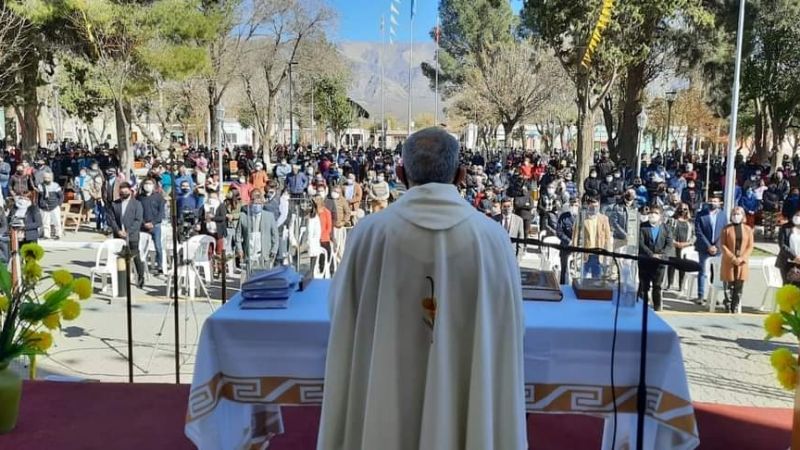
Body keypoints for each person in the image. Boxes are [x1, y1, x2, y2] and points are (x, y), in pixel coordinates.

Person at [318, 127, 526, 450]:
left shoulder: (369, 236)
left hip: (385, 401)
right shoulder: (492, 240)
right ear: (461, 175)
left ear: (400, 174)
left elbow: (340, 313)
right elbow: (511, 329)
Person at [109, 182, 145, 289]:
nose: (123, 193)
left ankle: (140, 277)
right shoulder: (115, 204)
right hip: (118, 235)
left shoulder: (137, 204)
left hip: (132, 235)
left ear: (130, 191)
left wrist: (128, 232)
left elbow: (138, 220)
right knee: (119, 257)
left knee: (135, 257)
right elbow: (111, 219)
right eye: (121, 191)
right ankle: (121, 278)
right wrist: (118, 231)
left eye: (125, 191)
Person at [638, 205, 673, 311]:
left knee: (657, 286)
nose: (652, 214)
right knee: (644, 286)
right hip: (645, 261)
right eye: (650, 212)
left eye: (655, 213)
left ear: (661, 216)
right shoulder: (642, 226)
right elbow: (640, 243)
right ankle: (642, 307)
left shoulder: (666, 228)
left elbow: (669, 244)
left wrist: (661, 255)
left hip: (660, 262)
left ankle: (657, 307)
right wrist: (651, 254)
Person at [235, 189, 279, 273]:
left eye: (258, 202)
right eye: (254, 202)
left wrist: (274, 250)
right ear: (250, 202)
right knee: (250, 278)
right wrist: (239, 249)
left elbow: (275, 235)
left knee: (264, 278)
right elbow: (238, 235)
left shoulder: (269, 216)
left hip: (264, 254)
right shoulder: (243, 217)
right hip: (249, 253)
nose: (256, 204)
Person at [694, 195, 727, 304]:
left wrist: (716, 246)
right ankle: (700, 295)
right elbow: (699, 232)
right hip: (704, 248)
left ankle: (713, 296)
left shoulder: (723, 215)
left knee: (715, 272)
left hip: (717, 248)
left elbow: (724, 231)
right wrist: (708, 246)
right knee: (702, 271)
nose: (713, 203)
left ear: (720, 203)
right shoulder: (701, 215)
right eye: (711, 201)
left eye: (715, 201)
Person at [720, 206, 754, 313]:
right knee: (729, 284)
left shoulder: (748, 229)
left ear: (743, 216)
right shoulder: (726, 229)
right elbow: (723, 245)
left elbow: (750, 246)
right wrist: (732, 258)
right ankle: (728, 305)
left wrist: (742, 258)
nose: (736, 216)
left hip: (742, 262)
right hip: (729, 261)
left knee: (739, 285)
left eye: (738, 214)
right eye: (734, 214)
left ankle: (735, 306)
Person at [574, 195, 612, 278]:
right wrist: (574, 251)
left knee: (597, 279)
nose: (594, 208)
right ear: (588, 206)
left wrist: (608, 253)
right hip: (585, 253)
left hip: (598, 254)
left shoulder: (604, 219)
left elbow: (607, 238)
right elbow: (575, 235)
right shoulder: (582, 218)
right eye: (592, 206)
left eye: (596, 206)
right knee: (583, 278)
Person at [666, 202, 695, 291]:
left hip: (685, 247)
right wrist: (674, 242)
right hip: (673, 245)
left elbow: (694, 236)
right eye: (681, 209)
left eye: (685, 209)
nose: (683, 211)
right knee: (672, 265)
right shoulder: (672, 220)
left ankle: (681, 285)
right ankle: (670, 284)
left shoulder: (690, 222)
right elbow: (667, 232)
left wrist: (687, 243)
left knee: (683, 266)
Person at [139, 178, 166, 274]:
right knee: (141, 247)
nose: (147, 185)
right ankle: (141, 265)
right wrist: (143, 223)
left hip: (156, 226)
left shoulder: (159, 197)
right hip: (142, 226)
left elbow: (161, 212)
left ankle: (159, 266)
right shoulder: (139, 198)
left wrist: (153, 223)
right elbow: (137, 212)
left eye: (150, 184)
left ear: (154, 186)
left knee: (158, 246)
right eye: (146, 183)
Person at [556, 198, 579, 284]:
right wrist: (569, 241)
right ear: (569, 206)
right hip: (565, 247)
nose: (574, 207)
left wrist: (577, 242)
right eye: (572, 205)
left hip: (579, 249)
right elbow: (559, 232)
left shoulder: (582, 217)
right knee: (564, 271)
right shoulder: (563, 217)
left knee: (576, 272)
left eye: (576, 205)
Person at [776, 210, 800, 285]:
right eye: (796, 215)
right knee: (788, 286)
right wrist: (794, 257)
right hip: (786, 262)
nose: (798, 217)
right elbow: (782, 245)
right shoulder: (785, 228)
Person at [38, 172, 64, 239]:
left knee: (57, 221)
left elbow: (61, 196)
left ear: (51, 178)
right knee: (45, 222)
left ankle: (58, 234)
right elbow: (40, 197)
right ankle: (47, 235)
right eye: (45, 178)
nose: (46, 179)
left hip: (54, 206)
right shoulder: (40, 186)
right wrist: (41, 204)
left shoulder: (55, 185)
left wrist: (59, 204)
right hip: (44, 207)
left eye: (48, 178)